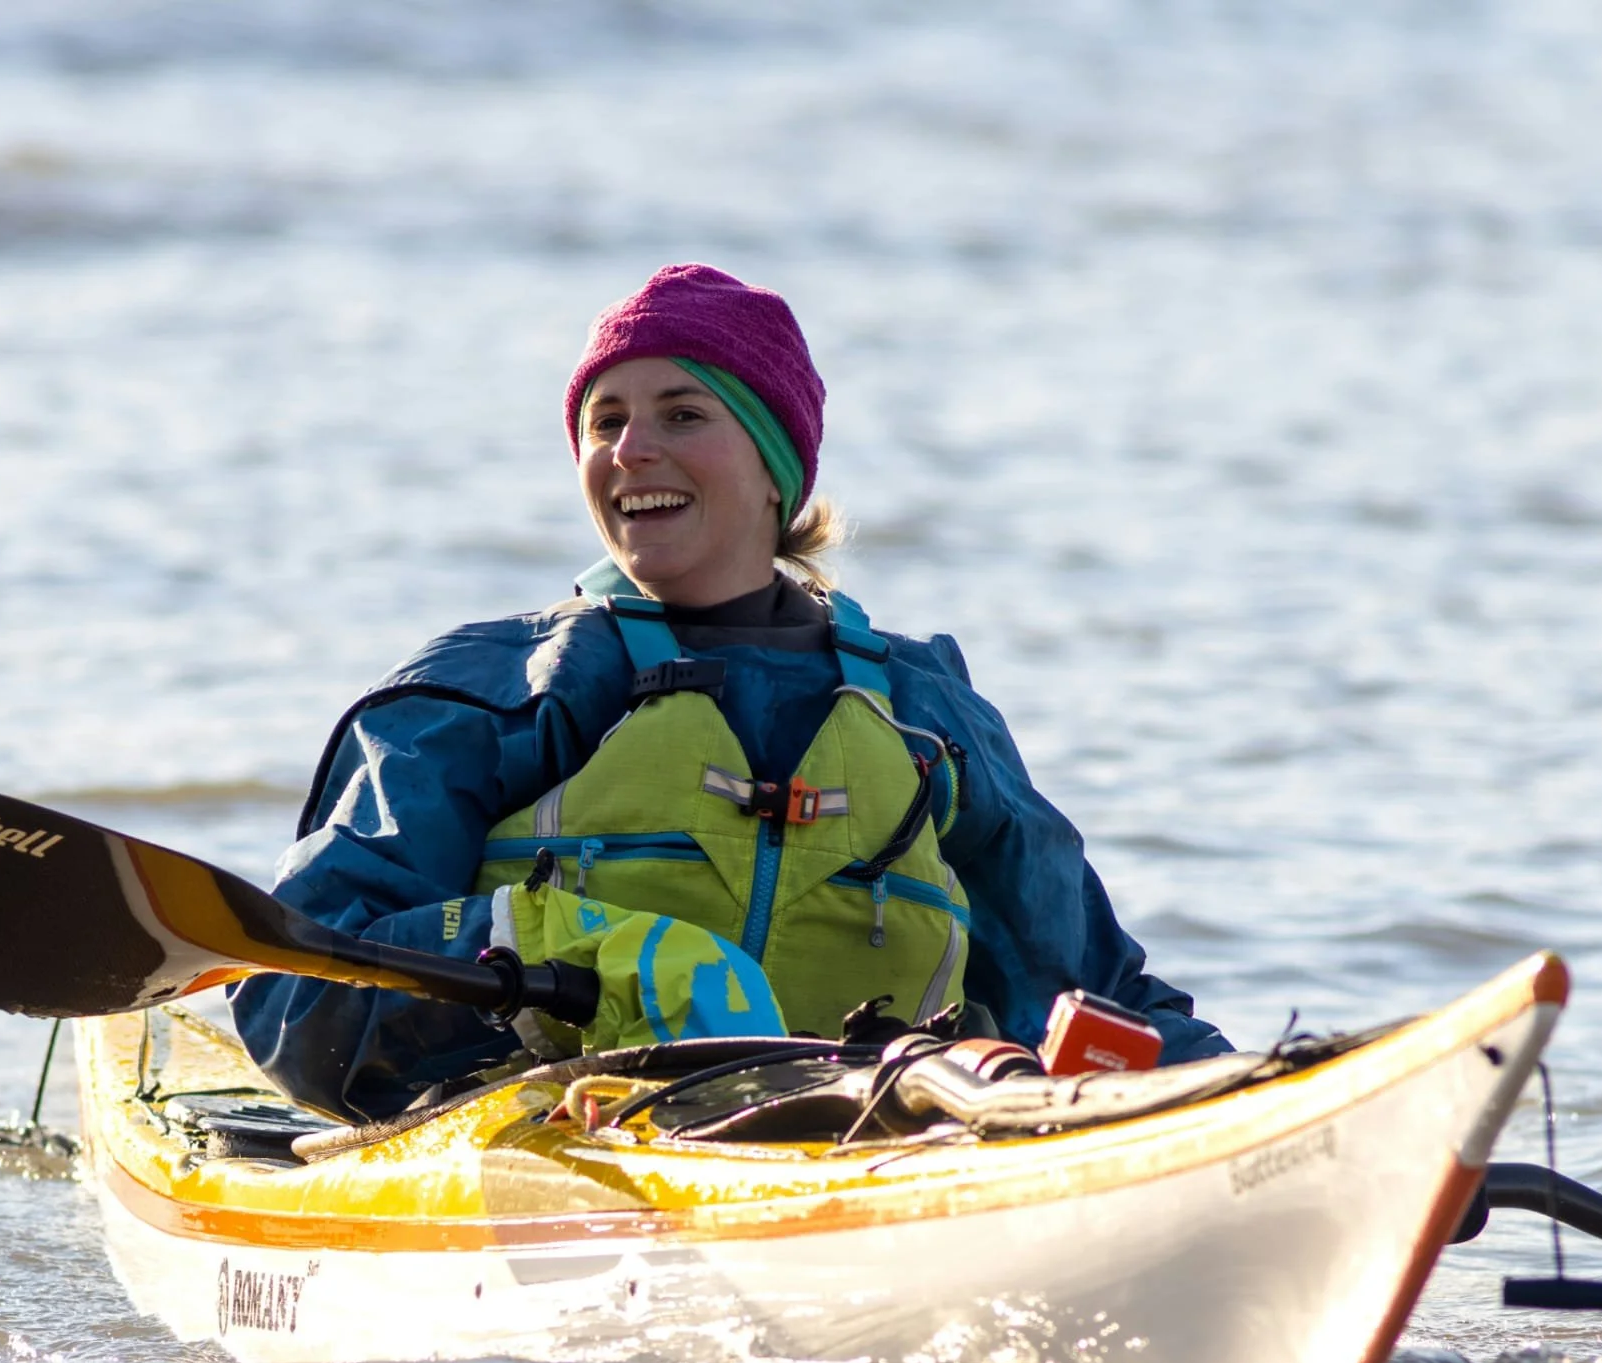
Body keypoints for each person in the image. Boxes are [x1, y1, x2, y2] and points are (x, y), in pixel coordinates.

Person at [231, 265, 1229, 1123]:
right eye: (604, 421)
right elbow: (292, 996)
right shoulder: (491, 692)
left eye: (681, 414)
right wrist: (540, 940)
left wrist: (1273, 1096)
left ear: (772, 469)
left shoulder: (925, 715)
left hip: (872, 1135)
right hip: (562, 1145)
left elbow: (1089, 991)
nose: (629, 450)